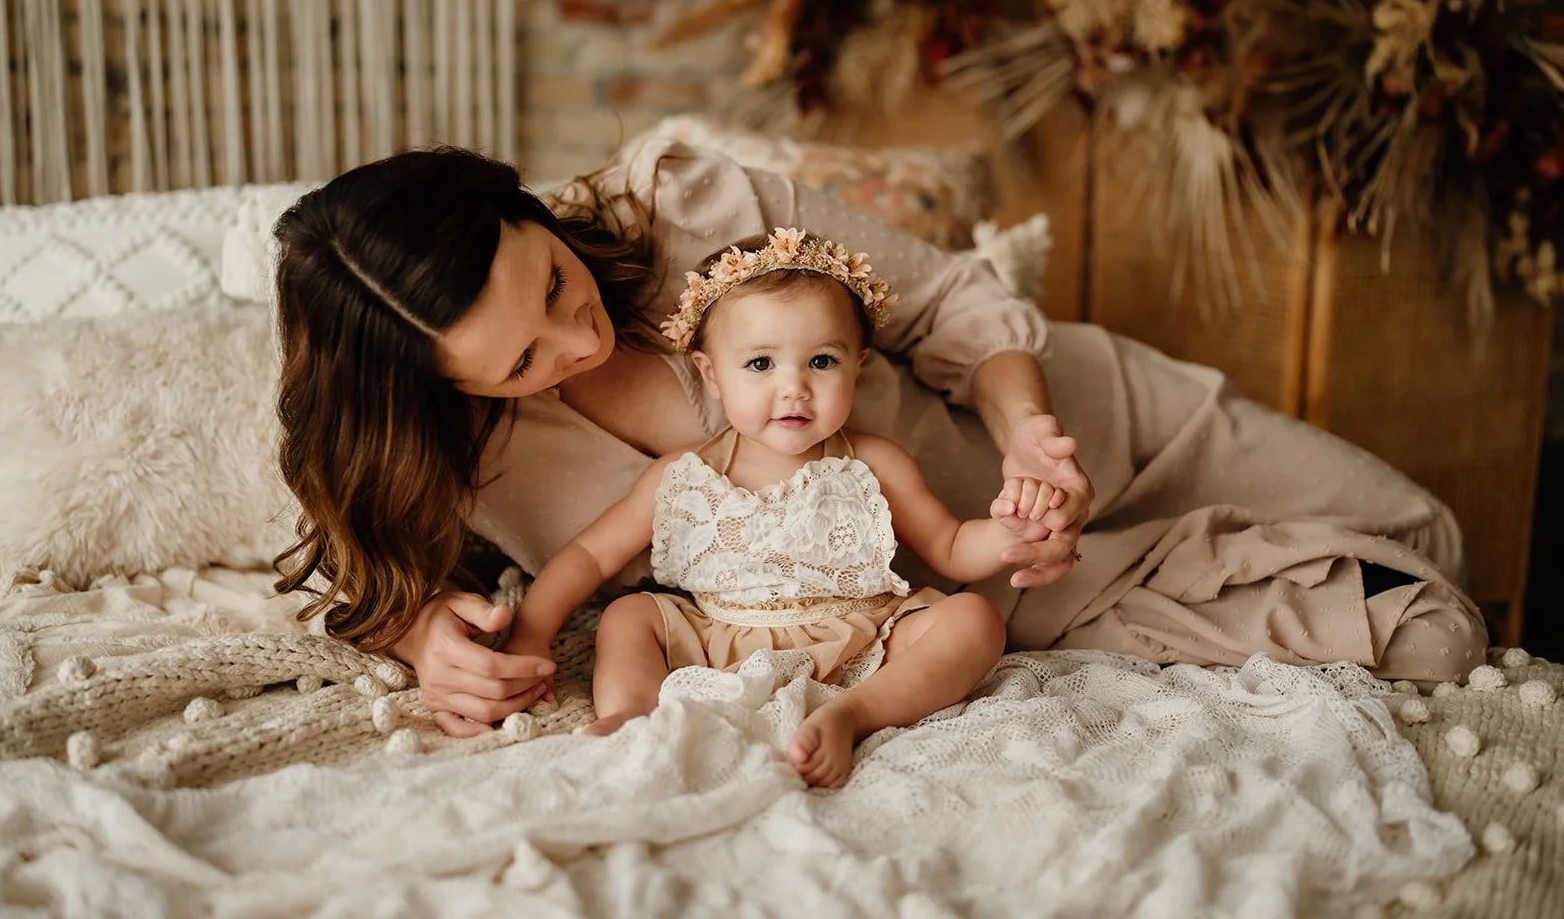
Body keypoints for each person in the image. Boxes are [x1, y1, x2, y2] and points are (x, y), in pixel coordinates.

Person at [271, 137, 1488, 740]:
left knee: (1421, 528)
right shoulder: (453, 449)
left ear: (524, 210)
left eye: (549, 289)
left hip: (1065, 432)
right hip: (971, 585)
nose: (571, 347)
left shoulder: (686, 201)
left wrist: (1029, 441)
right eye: (518, 363)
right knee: (1413, 620)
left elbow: (958, 304)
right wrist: (431, 633)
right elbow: (383, 576)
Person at [501, 228, 1065, 786]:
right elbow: (590, 557)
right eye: (760, 364)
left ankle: (853, 714)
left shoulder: (873, 464)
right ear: (710, 373)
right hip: (718, 640)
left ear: (858, 365)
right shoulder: (681, 476)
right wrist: (530, 634)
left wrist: (1012, 529)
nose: (793, 387)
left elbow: (950, 547)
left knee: (973, 619)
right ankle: (631, 714)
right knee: (628, 616)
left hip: (862, 641)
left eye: (821, 362)